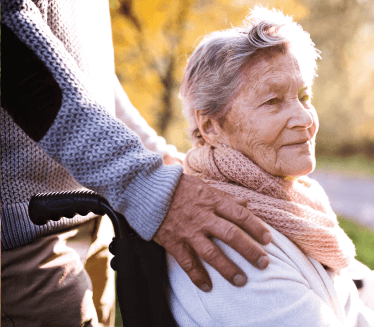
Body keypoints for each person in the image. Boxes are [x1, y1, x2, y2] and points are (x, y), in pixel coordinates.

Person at [1, 1, 273, 326]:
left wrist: (158, 156)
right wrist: (142, 182)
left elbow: (83, 75)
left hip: (97, 216)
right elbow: (20, 63)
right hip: (21, 238)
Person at [167, 6, 374, 327]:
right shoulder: (230, 238)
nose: (305, 119)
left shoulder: (282, 199)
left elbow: (328, 275)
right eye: (273, 101)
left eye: (304, 96)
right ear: (210, 127)